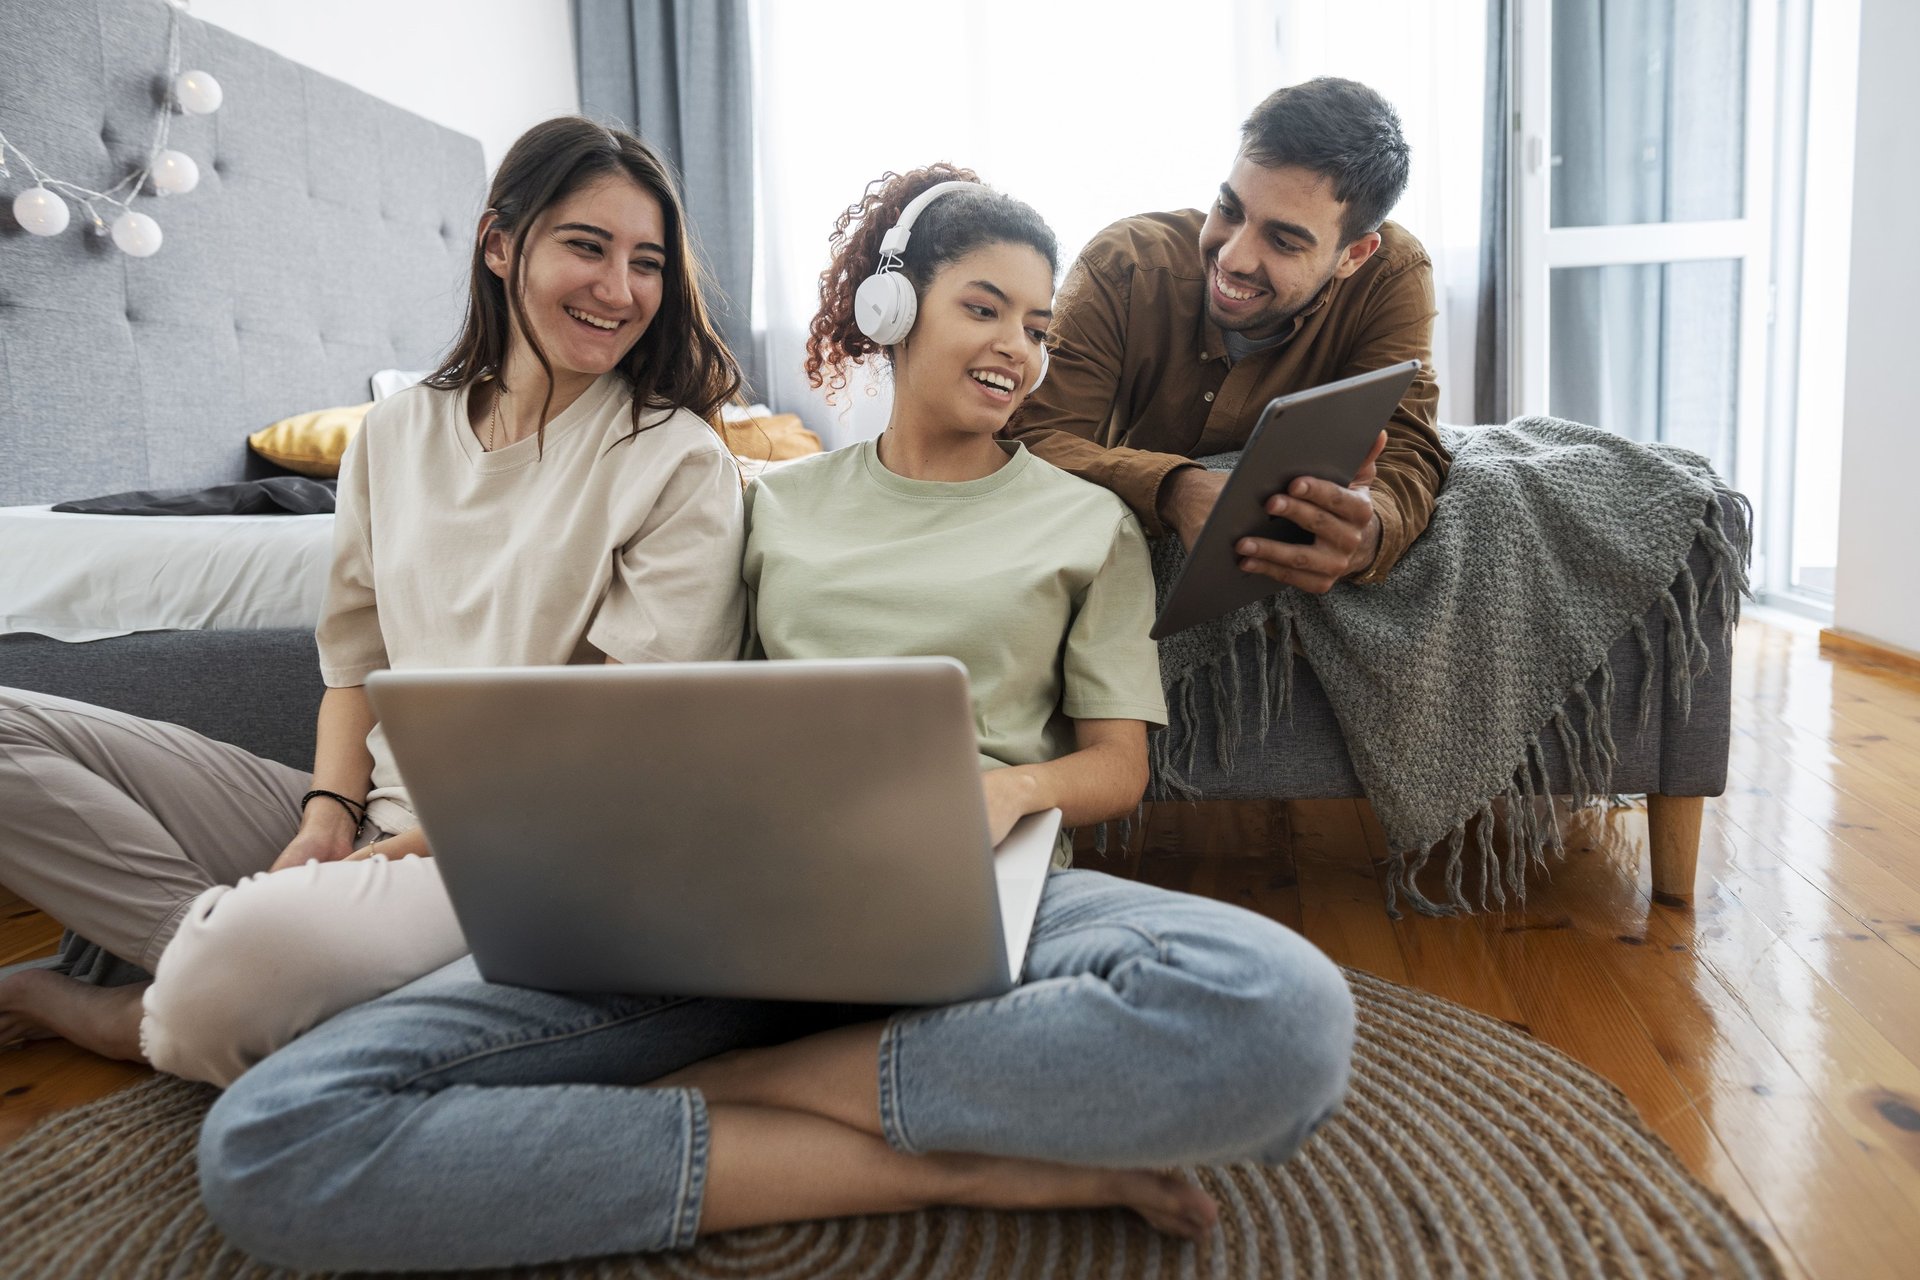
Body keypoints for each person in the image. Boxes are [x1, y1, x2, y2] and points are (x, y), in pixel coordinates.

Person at [191, 167, 1358, 1271]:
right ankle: (936, 1168)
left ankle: (755, 1083)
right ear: (893, 308)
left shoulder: (1086, 524)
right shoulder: (772, 502)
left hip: (974, 885)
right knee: (270, 1138)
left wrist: (1006, 789)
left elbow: (1116, 768)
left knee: (1280, 1016)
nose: (1018, 348)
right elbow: (683, 714)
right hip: (726, 902)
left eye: (1040, 327)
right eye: (987, 308)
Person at [0, 118, 748, 1083]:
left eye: (647, 262)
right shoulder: (396, 434)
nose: (620, 289)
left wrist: (402, 854)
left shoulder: (678, 463)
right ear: (498, 245)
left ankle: (126, 1003)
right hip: (369, 815)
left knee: (217, 991)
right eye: (586, 246)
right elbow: (356, 662)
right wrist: (322, 818)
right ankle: (211, 961)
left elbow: (611, 742)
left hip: (516, 849)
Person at [1004, 76, 1451, 593]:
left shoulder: (1393, 275)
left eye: (1283, 241)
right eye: (1230, 210)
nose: (1233, 258)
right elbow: (1032, 440)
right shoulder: (1122, 266)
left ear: (1353, 255)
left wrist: (1371, 531)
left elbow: (1409, 441)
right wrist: (1175, 488)